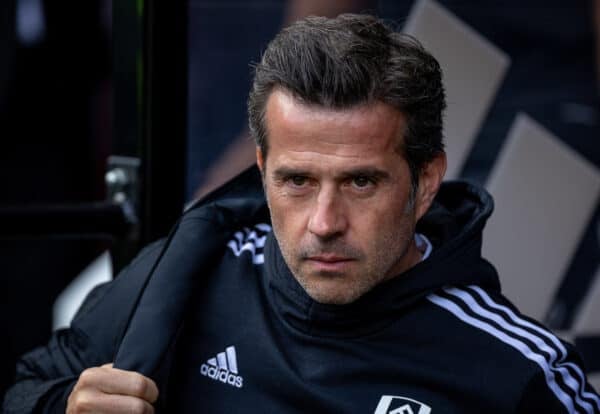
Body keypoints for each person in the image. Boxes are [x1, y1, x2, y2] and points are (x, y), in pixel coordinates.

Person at [4, 13, 600, 413]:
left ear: (425, 183)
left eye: (361, 182)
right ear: (262, 169)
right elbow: (30, 384)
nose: (323, 221)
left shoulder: (519, 373)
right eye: (296, 181)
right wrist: (63, 406)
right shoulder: (193, 267)